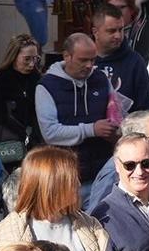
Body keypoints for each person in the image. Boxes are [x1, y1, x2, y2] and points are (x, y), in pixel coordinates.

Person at [35, 32, 120, 187]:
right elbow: (50, 133)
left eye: (93, 59)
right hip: (64, 176)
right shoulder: (47, 86)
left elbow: (116, 114)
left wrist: (115, 130)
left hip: (102, 173)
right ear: (67, 56)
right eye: (83, 60)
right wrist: (91, 129)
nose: (89, 65)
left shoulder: (101, 79)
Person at [89, 129, 149, 251]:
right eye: (130, 165)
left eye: (146, 163)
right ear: (117, 166)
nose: (139, 171)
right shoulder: (105, 215)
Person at [0, 34, 43, 156]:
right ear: (13, 57)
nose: (32, 64)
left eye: (35, 59)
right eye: (27, 59)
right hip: (6, 148)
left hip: (35, 147)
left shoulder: (39, 82)